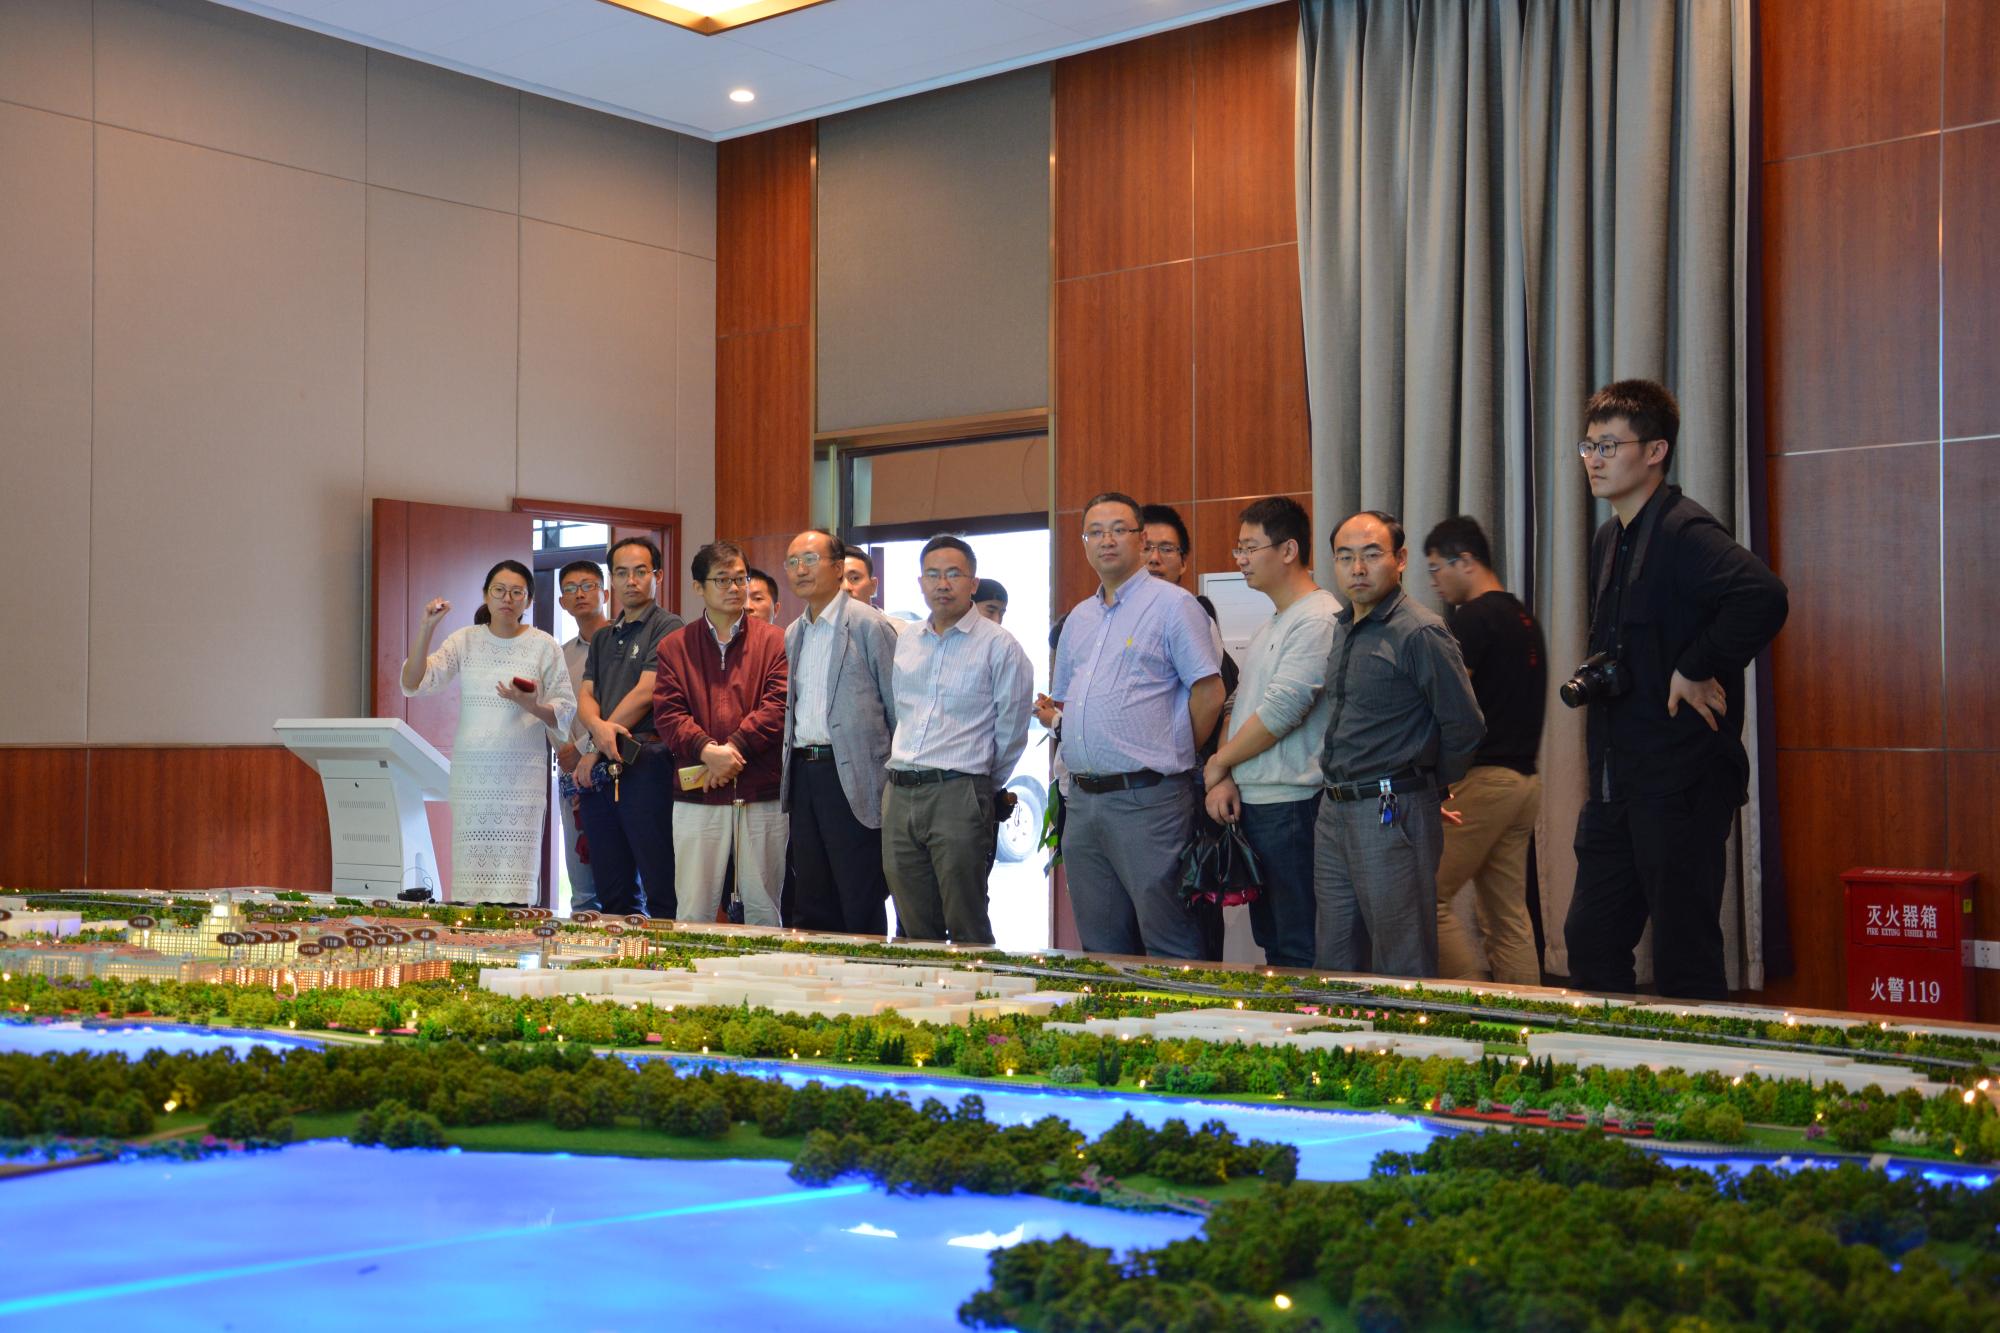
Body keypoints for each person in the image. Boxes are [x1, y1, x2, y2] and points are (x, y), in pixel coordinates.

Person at [1564, 380, 1788, 1001]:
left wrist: (1695, 665)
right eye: (1588, 446)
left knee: (1683, 952)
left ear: (1656, 451)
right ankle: (1606, 1059)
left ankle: (1698, 1061)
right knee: (1590, 942)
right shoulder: (1609, 537)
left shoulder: (1685, 529)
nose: (1594, 460)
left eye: (1610, 446)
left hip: (1681, 779)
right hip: (1617, 778)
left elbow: (1763, 596)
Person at [1052, 493, 1224, 959]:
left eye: (1118, 530)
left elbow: (1210, 694)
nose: (1106, 540)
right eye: (1095, 531)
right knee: (1101, 945)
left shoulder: (1174, 605)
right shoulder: (1079, 618)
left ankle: (1180, 1013)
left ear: (1141, 539)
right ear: (1084, 543)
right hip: (1084, 802)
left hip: (1148, 800)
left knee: (1170, 940)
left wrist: (1171, 750)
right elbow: (1068, 699)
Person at [1314, 511, 1484, 978]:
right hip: (1333, 809)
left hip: (1390, 809)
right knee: (1334, 957)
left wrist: (1426, 787)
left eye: (1372, 555)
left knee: (1401, 959)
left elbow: (1465, 726)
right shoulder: (1343, 626)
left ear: (1401, 559)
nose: (1357, 569)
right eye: (1345, 557)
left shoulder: (1420, 631)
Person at [1201, 497, 1340, 970]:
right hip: (1258, 802)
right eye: (1238, 549)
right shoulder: (1272, 624)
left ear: (1288, 550)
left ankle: (1310, 1019)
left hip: (1294, 805)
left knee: (1299, 943)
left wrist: (1219, 762)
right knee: (1274, 941)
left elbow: (1283, 711)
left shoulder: (1318, 618)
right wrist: (1224, 776)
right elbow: (1238, 705)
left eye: (1249, 547)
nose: (1240, 559)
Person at [884, 534, 1033, 944]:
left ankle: (976, 988)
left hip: (959, 790)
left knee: (966, 920)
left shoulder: (1000, 646)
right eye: (932, 575)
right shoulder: (908, 640)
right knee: (912, 923)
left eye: (954, 574)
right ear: (921, 582)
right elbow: (901, 710)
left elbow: (1012, 730)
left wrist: (979, 784)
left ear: (973, 582)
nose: (942, 584)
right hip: (899, 791)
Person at [401, 560, 576, 905]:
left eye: (517, 592)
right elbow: (414, 682)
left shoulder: (544, 645)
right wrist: (426, 628)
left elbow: (565, 710)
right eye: (499, 590)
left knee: (515, 895)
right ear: (486, 595)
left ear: (528, 601)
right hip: (473, 780)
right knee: (470, 893)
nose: (507, 598)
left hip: (521, 780)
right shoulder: (464, 640)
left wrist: (530, 705)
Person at [1423, 516, 1547, 986]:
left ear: (1466, 561)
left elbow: (1450, 702)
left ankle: (1470, 1004)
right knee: (1506, 914)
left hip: (1483, 778)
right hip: (1523, 782)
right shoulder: (1522, 617)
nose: (1434, 581)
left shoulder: (1473, 619)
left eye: (1437, 568)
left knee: (1425, 897)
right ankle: (1527, 1014)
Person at [654, 541, 789, 926]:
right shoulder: (675, 646)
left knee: (764, 908)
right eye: (723, 580)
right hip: (698, 790)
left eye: (740, 579)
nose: (734, 588)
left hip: (761, 789)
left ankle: (765, 969)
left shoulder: (775, 640)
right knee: (694, 908)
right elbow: (669, 714)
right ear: (698, 586)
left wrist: (733, 750)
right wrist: (708, 752)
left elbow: (778, 705)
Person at [781, 529, 899, 936]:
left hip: (854, 775)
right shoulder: (793, 632)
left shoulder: (869, 625)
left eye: (810, 560)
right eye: (792, 562)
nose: (800, 569)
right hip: (804, 773)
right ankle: (816, 971)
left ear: (837, 568)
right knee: (811, 894)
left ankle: (866, 974)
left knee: (858, 893)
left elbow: (897, 710)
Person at [572, 537, 684, 919]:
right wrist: (598, 735)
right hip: (604, 768)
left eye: (640, 572)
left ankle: (666, 953)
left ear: (658, 576)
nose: (631, 581)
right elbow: (586, 695)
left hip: (647, 763)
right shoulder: (604, 636)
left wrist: (596, 743)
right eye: (621, 573)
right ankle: (623, 955)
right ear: (612, 580)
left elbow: (646, 691)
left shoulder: (669, 626)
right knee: (612, 886)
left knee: (659, 880)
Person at [555, 559, 609, 914]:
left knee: (624, 885)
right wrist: (565, 750)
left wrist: (584, 748)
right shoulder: (559, 656)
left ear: (605, 594)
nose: (580, 594)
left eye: (588, 585)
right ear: (562, 602)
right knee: (583, 889)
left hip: (615, 771)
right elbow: (552, 714)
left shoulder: (623, 645)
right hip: (571, 777)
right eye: (571, 589)